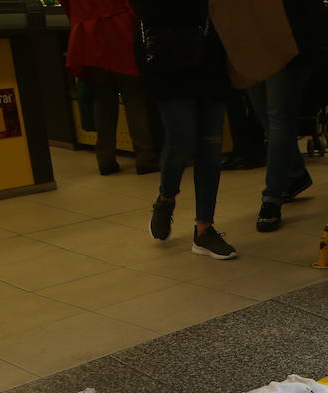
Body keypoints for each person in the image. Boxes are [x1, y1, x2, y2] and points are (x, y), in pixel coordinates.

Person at [132, 0, 237, 260]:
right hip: (166, 62)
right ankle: (166, 198)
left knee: (211, 147)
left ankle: (204, 230)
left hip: (210, 59)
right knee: (181, 140)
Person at [250, 0, 328, 232]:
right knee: (264, 114)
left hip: (291, 36)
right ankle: (295, 172)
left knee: (278, 118)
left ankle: (272, 198)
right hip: (253, 39)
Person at [64, 0, 159, 176]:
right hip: (120, 28)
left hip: (87, 32)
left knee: (102, 98)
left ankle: (105, 159)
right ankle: (145, 157)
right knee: (134, 97)